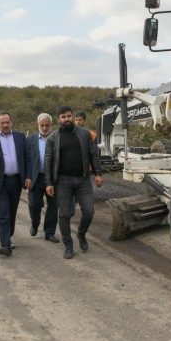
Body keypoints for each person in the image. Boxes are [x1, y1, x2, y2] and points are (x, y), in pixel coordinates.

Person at [45, 106, 104, 259]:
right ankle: (68, 245)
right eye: (63, 117)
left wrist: (98, 173)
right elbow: (48, 161)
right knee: (64, 215)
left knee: (89, 211)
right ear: (59, 119)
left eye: (69, 116)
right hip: (62, 181)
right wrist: (49, 183)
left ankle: (81, 234)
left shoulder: (85, 134)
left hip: (82, 179)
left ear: (72, 117)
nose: (67, 119)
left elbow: (93, 154)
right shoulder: (53, 137)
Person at [0, 112, 31, 257]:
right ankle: (5, 245)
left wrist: (28, 176)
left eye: (7, 122)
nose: (5, 125)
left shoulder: (20, 137)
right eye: (2, 122)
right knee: (3, 212)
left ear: (11, 122)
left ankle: (8, 236)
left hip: (16, 181)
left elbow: (27, 158)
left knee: (12, 212)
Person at [26, 113, 59, 243]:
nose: (44, 128)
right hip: (36, 177)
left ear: (51, 125)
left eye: (47, 125)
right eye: (42, 125)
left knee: (53, 206)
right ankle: (35, 223)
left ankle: (49, 233)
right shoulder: (30, 140)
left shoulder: (57, 138)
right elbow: (26, 160)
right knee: (34, 204)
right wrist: (27, 177)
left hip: (53, 178)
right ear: (38, 124)